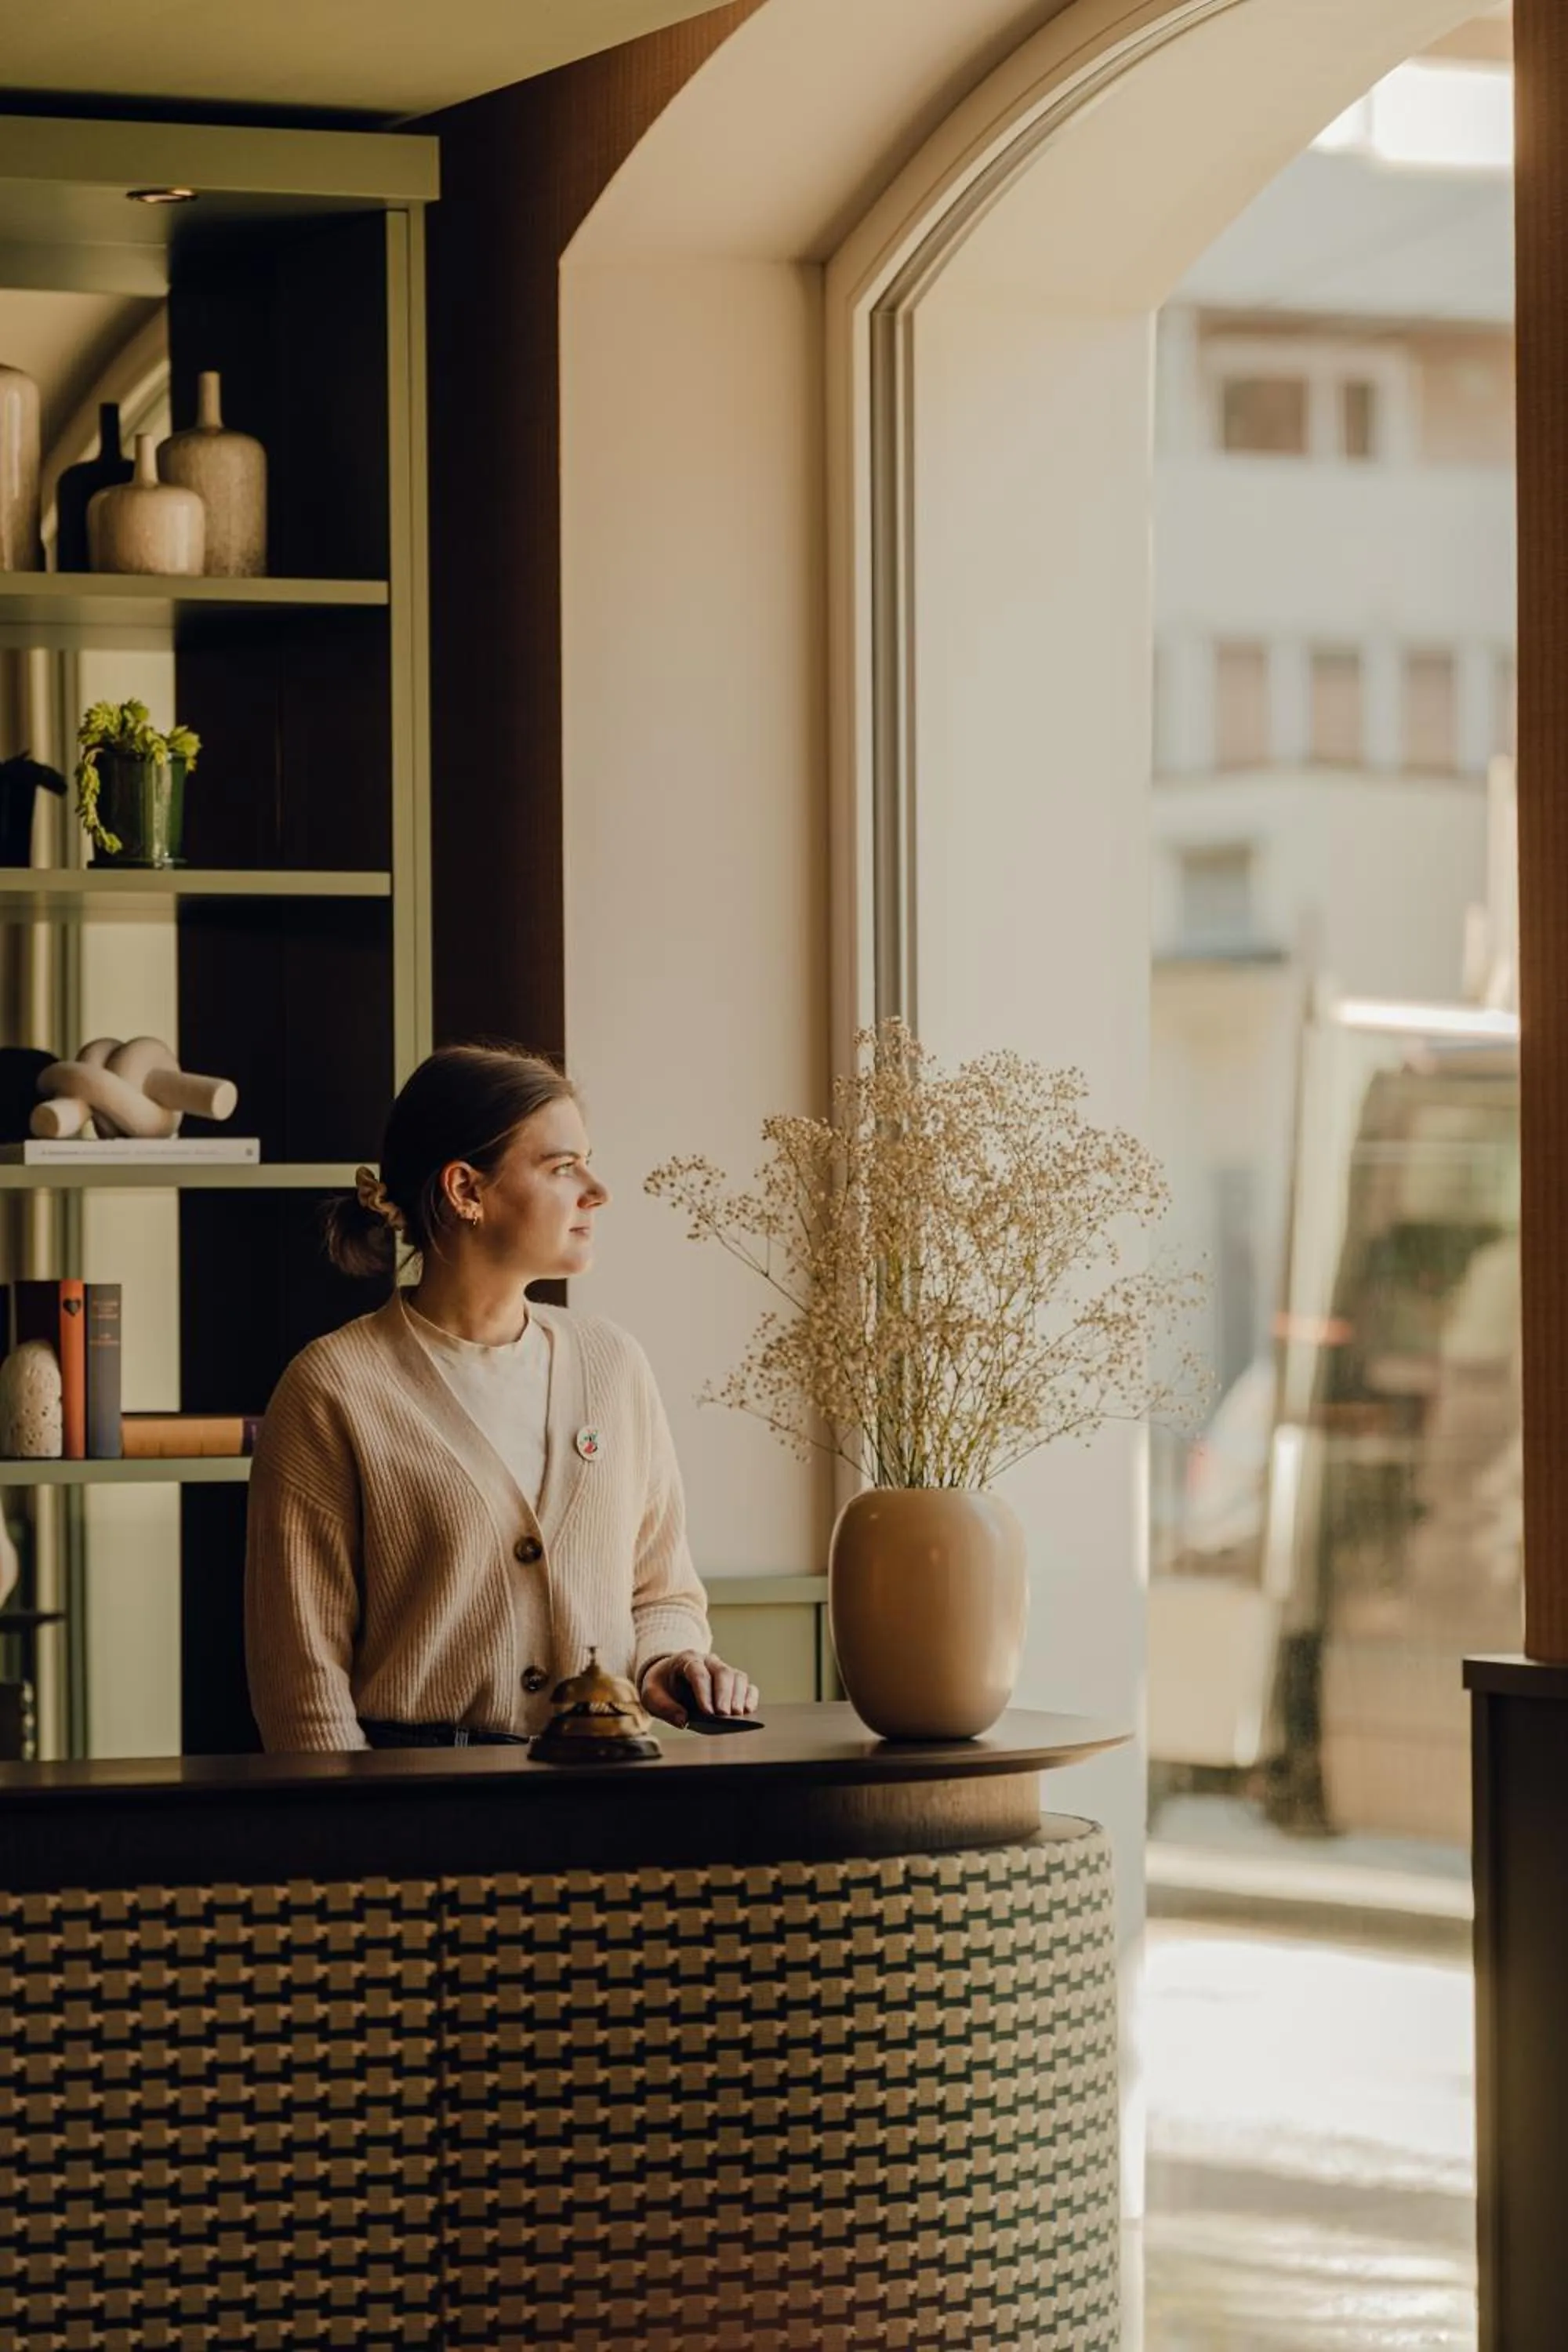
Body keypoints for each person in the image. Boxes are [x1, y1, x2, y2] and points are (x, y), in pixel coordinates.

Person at [243, 1041, 760, 1751]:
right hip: (416, 1819)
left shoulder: (613, 1365)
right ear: (465, 1191)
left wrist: (669, 1661)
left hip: (606, 1802)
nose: (597, 1190)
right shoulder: (332, 1389)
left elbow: (661, 1591)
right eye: (561, 1167)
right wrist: (359, 1841)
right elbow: (303, 1683)